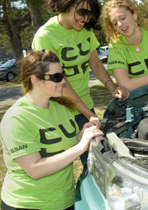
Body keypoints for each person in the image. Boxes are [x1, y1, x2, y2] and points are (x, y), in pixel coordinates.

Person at [32, 0, 129, 166]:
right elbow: (60, 81)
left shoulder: (85, 31)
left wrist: (111, 87)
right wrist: (88, 114)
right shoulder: (45, 36)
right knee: (60, 165)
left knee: (95, 161)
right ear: (66, 3)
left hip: (84, 104)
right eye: (82, 12)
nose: (85, 19)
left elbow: (95, 63)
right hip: (58, 111)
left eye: (89, 14)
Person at [0, 50, 103, 210]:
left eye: (63, 75)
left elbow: (61, 145)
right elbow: (35, 169)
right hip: (28, 204)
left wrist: (81, 135)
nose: (63, 81)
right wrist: (80, 146)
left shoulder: (63, 107)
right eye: (56, 77)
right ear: (35, 80)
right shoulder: (16, 118)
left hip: (64, 200)